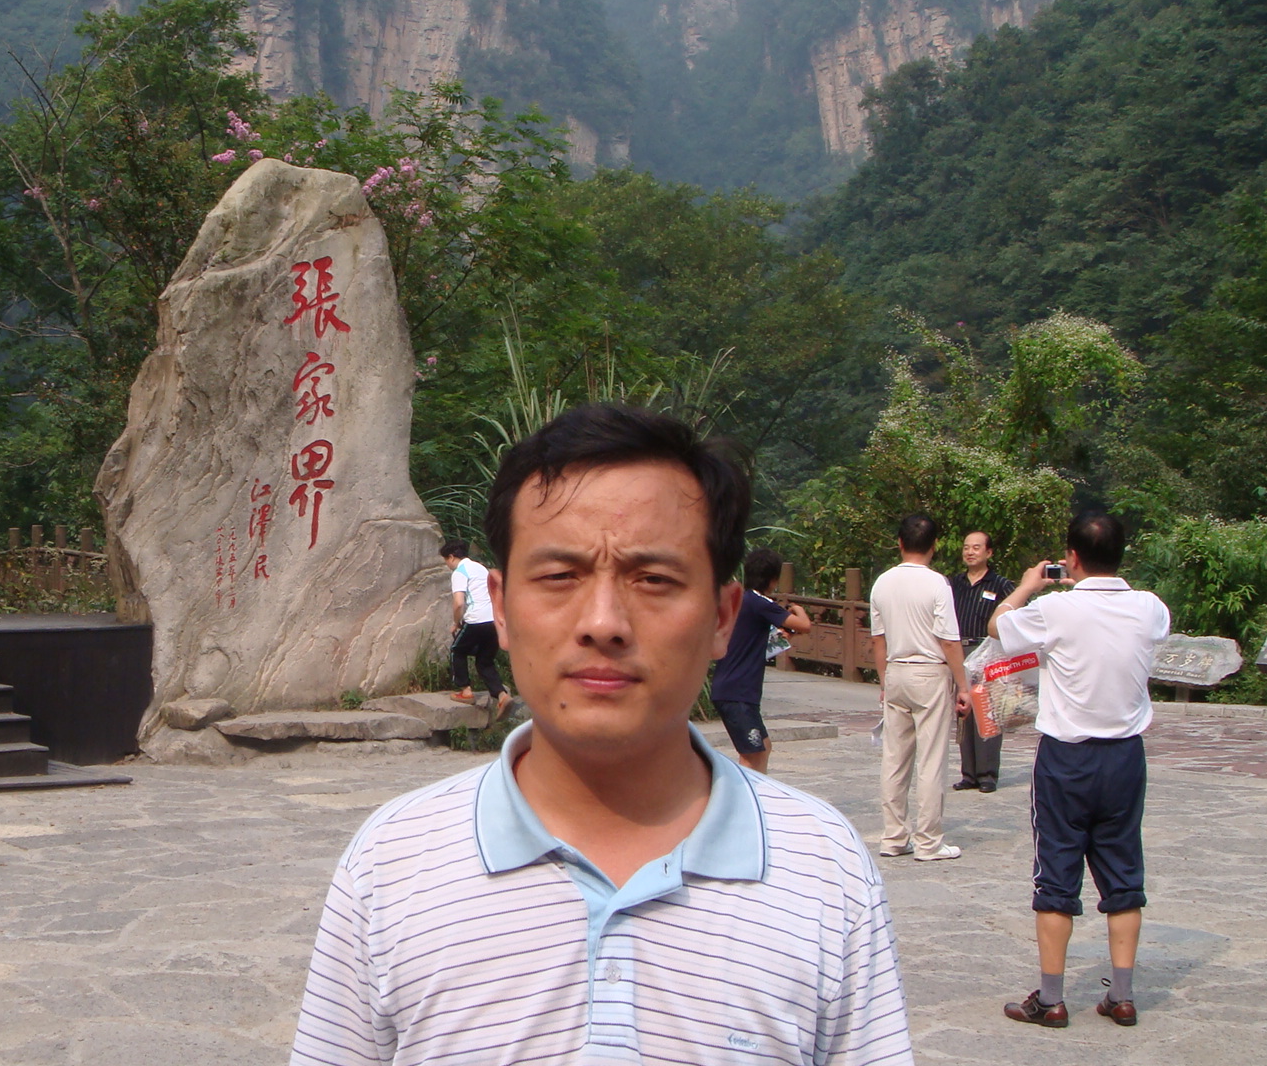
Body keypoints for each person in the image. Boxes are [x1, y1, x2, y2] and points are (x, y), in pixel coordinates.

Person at [292, 404, 913, 1066]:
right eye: (560, 577)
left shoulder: (823, 868)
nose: (603, 622)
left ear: (722, 616)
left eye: (654, 579)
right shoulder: (392, 865)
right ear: (501, 608)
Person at [990, 512, 1170, 1030]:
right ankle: (1123, 995)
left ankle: (1051, 999)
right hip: (1124, 757)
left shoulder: (1054, 609)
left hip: (1066, 759)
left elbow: (999, 627)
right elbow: (1140, 630)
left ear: (1070, 558)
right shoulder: (1150, 608)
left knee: (1056, 875)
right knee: (1124, 875)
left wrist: (1027, 585)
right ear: (1121, 554)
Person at [869, 513, 973, 862]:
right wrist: (963, 685)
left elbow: (878, 639)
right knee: (931, 759)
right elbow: (949, 641)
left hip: (896, 670)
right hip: (929, 672)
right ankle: (928, 840)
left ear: (899, 543)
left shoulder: (882, 582)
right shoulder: (937, 584)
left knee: (894, 759)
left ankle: (894, 836)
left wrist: (884, 680)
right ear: (934, 545)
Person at [709, 547, 813, 772]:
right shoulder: (760, 602)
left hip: (733, 688)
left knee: (763, 747)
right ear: (773, 579)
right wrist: (798, 609)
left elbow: (751, 640)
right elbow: (804, 626)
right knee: (752, 755)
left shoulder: (743, 601)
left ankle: (758, 792)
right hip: (738, 692)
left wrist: (781, 637)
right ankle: (745, 794)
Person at [950, 531, 1014, 793]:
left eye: (976, 547)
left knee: (988, 712)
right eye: (966, 547)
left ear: (989, 552)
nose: (970, 552)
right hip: (960, 651)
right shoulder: (953, 584)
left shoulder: (1001, 585)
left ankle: (987, 774)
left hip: (988, 652)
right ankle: (969, 773)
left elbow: (1017, 615)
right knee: (964, 711)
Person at [441, 540, 512, 719]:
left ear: (451, 557)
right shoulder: (480, 568)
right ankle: (502, 696)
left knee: (457, 650)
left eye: (446, 560)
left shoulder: (460, 572)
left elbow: (459, 603)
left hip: (476, 620)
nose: (447, 565)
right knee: (484, 661)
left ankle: (465, 691)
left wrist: (456, 622)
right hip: (493, 620)